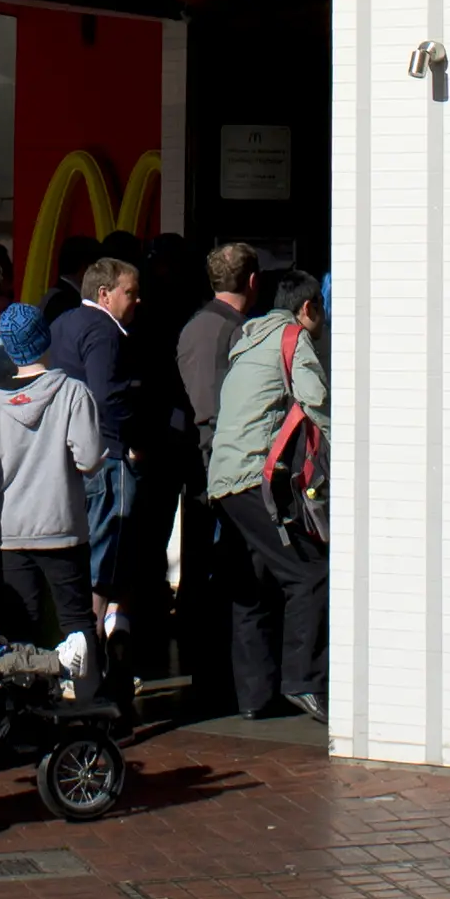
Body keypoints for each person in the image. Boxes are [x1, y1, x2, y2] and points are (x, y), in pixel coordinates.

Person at [209, 270, 329, 721]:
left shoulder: (249, 339)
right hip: (253, 477)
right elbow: (317, 403)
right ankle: (304, 682)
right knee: (309, 574)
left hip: (223, 478)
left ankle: (256, 697)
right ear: (308, 308)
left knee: (253, 585)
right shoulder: (293, 337)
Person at [0, 299, 106, 679]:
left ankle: (27, 711)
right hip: (61, 526)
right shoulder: (72, 393)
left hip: (10, 530)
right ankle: (88, 705)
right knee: (76, 622)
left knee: (21, 629)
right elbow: (89, 459)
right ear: (45, 339)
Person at [171, 242, 253, 706]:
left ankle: (201, 655)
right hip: (220, 458)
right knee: (220, 561)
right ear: (253, 282)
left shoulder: (194, 325)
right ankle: (214, 663)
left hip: (199, 455)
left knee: (202, 556)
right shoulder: (237, 332)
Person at [49, 256, 141, 649]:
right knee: (108, 548)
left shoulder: (62, 324)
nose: (137, 301)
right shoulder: (104, 331)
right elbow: (106, 396)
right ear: (104, 294)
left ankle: (76, 642)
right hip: (107, 453)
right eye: (130, 293)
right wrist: (129, 442)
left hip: (69, 452)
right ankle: (92, 641)